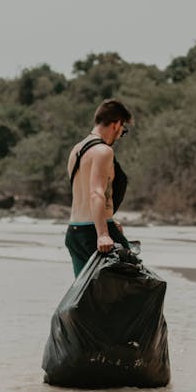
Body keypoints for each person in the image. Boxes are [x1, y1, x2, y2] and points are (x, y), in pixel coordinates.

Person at [65, 98, 133, 276]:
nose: (120, 135)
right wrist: (103, 232)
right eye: (122, 131)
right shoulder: (103, 151)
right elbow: (96, 193)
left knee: (87, 296)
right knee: (133, 291)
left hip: (75, 232)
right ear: (116, 124)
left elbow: (81, 193)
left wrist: (105, 217)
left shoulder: (77, 150)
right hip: (93, 234)